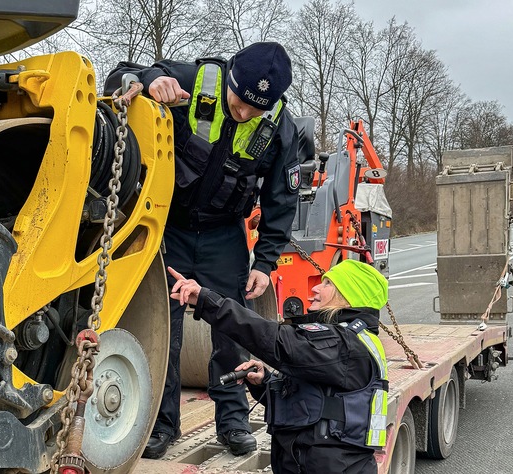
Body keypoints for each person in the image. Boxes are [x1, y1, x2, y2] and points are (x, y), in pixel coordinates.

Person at [104, 42, 300, 459]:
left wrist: (264, 261)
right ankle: (161, 422)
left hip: (224, 234)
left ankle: (231, 420)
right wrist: (151, 80)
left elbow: (282, 199)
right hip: (169, 227)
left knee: (231, 331)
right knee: (163, 331)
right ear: (229, 78)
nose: (245, 113)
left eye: (256, 109)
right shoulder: (195, 81)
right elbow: (120, 74)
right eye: (239, 102)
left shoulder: (281, 128)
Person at [168, 259, 389, 474]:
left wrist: (208, 301)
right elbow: (311, 404)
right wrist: (264, 382)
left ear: (349, 297)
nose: (315, 288)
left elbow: (274, 340)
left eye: (328, 283)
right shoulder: (338, 344)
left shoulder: (344, 344)